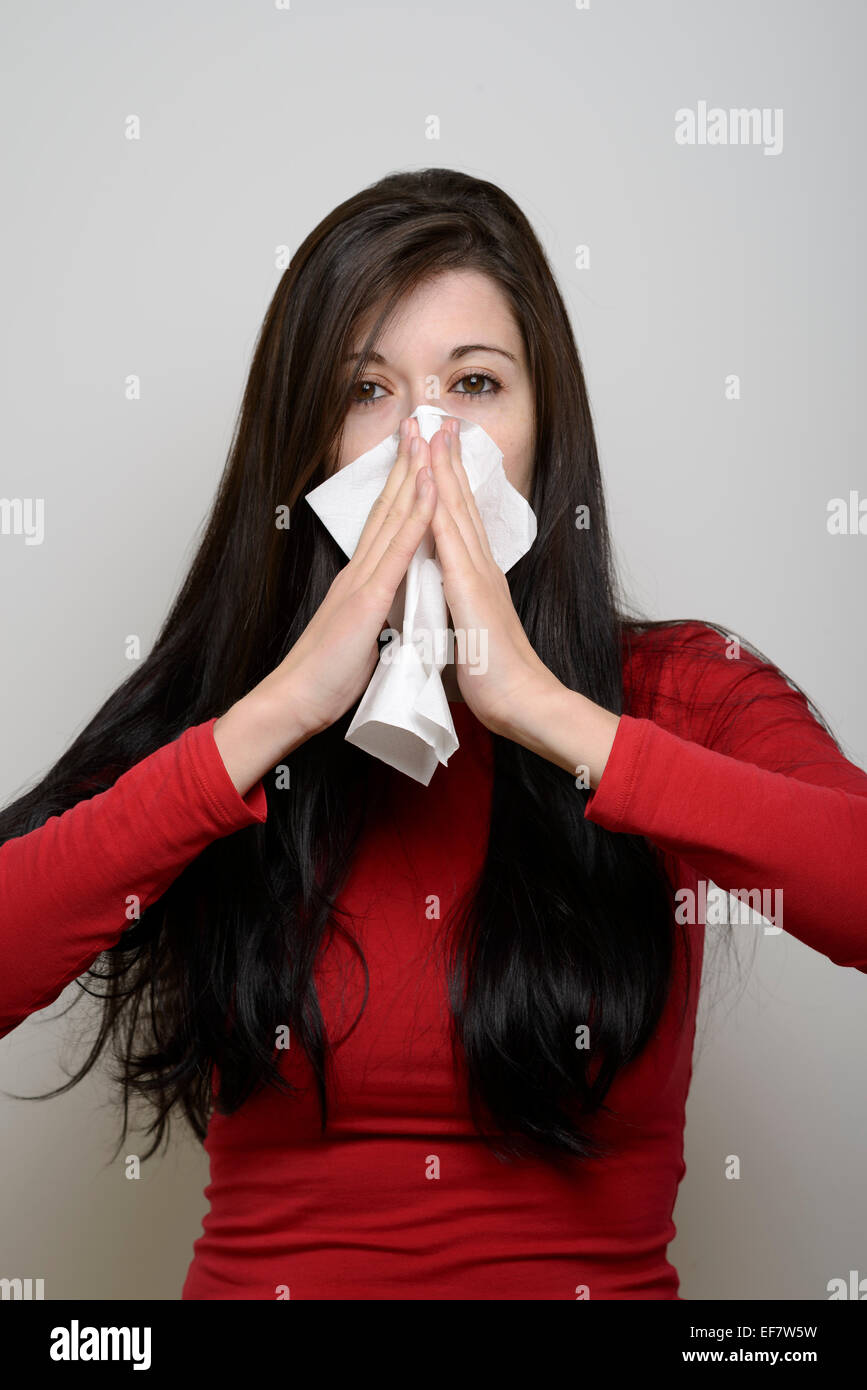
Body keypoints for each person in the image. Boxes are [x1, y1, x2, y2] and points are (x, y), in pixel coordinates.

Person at [1, 167, 865, 1301]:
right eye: (370, 389)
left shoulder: (678, 690)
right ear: (306, 445)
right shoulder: (230, 716)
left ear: (544, 429)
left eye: (474, 383)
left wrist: (551, 715)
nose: (426, 438)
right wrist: (276, 713)